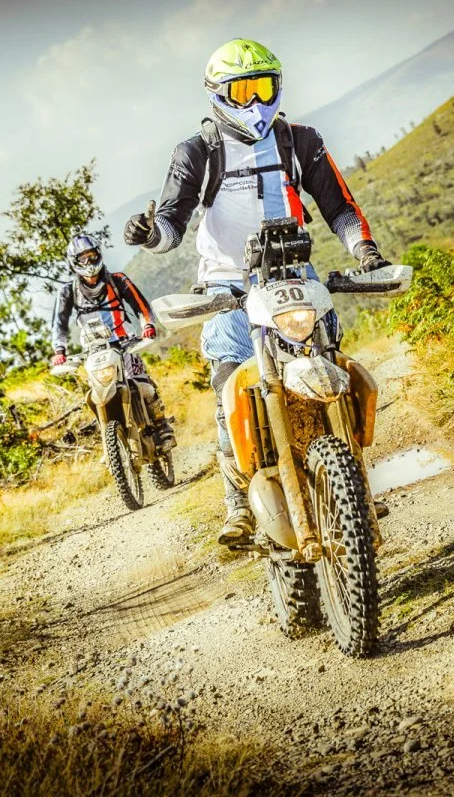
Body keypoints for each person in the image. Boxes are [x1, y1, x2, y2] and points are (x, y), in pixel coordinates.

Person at [123, 38, 392, 547]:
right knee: (228, 383)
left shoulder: (300, 140)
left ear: (277, 86)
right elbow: (171, 225)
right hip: (227, 283)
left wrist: (365, 253)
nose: (253, 102)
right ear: (217, 93)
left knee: (332, 360)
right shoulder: (197, 152)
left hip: (295, 276)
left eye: (261, 88)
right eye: (240, 90)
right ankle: (237, 506)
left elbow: (339, 205)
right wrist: (148, 235)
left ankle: (352, 481)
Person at [51, 233, 174, 449]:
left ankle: (162, 425)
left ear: (98, 254)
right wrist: (59, 350)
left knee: (144, 386)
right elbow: (58, 324)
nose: (88, 262)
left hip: (125, 342)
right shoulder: (68, 292)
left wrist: (147, 325)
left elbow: (142, 307)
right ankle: (112, 444)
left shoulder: (118, 280)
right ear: (74, 262)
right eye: (82, 259)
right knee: (95, 395)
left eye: (91, 256)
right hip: (94, 352)